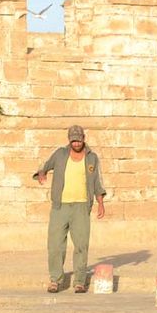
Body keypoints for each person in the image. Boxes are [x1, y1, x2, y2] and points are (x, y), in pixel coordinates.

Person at [33, 124, 107, 293]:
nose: (76, 144)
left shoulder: (92, 158)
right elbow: (45, 167)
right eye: (73, 141)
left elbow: (97, 182)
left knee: (81, 245)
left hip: (81, 207)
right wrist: (42, 173)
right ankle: (55, 280)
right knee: (55, 245)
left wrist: (100, 203)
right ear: (69, 141)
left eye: (78, 141)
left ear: (83, 140)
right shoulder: (60, 154)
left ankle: (80, 281)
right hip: (60, 207)